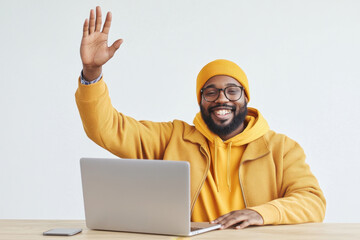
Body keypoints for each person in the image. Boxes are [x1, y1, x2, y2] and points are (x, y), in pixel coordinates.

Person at [75, 6, 326, 230]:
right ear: (201, 100)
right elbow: (106, 129)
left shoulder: (281, 149)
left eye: (232, 91)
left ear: (245, 98)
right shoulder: (172, 138)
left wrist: (261, 213)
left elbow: (312, 201)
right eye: (211, 92)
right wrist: (92, 71)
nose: (222, 99)